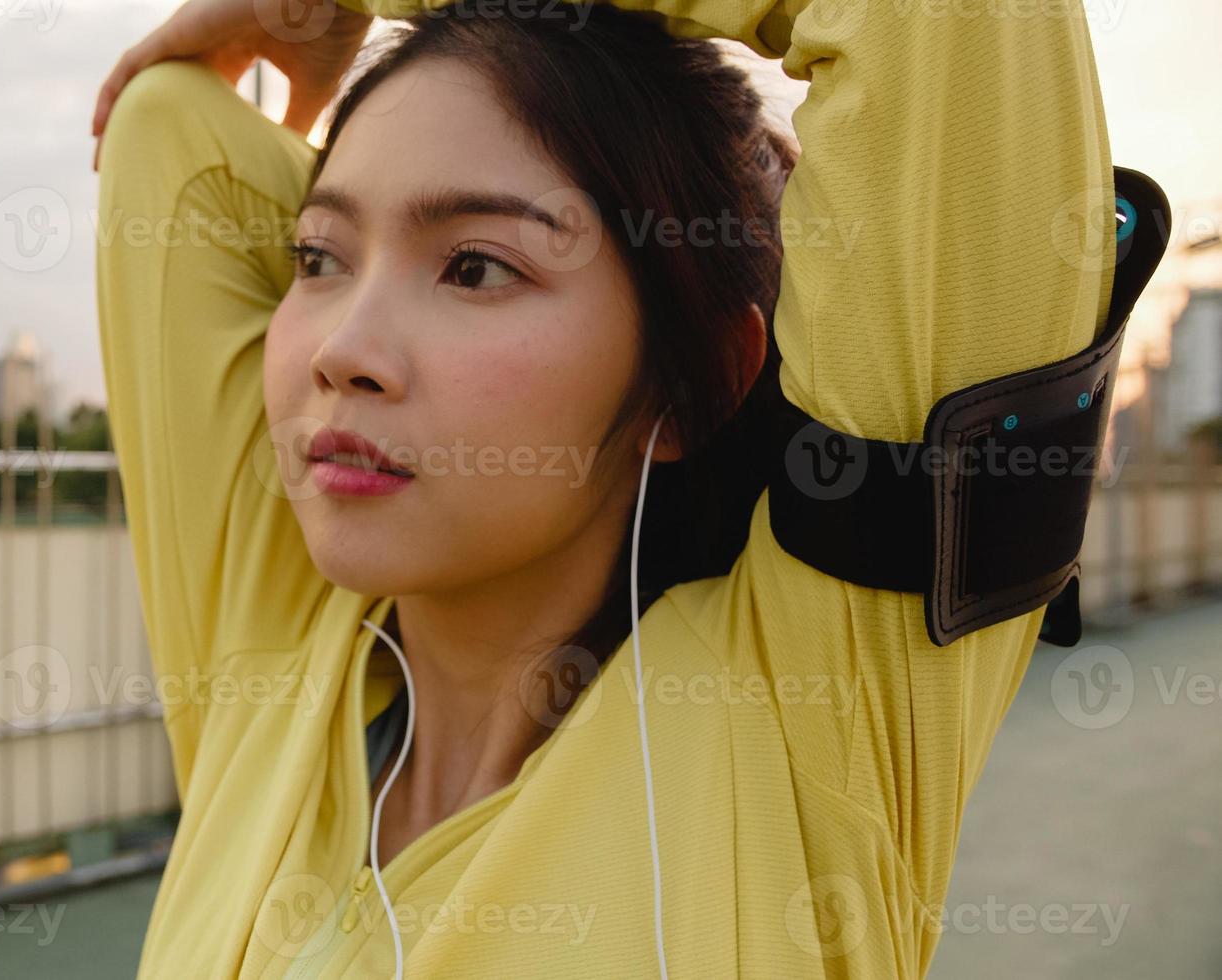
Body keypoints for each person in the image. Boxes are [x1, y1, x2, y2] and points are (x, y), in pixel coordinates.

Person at [90, 0, 1115, 975]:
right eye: (317, 254)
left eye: (475, 268)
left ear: (696, 376)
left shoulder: (809, 722)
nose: (341, 350)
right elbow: (172, 131)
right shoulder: (265, 662)